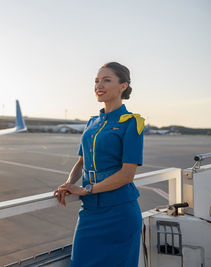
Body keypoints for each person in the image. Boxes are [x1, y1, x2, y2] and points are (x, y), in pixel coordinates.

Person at [54, 62, 145, 267]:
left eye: (106, 80)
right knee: (79, 262)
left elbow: (127, 175)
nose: (99, 85)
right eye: (96, 81)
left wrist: (85, 190)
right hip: (91, 213)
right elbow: (81, 162)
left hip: (121, 211)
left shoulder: (132, 123)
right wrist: (68, 184)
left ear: (123, 86)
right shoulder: (92, 123)